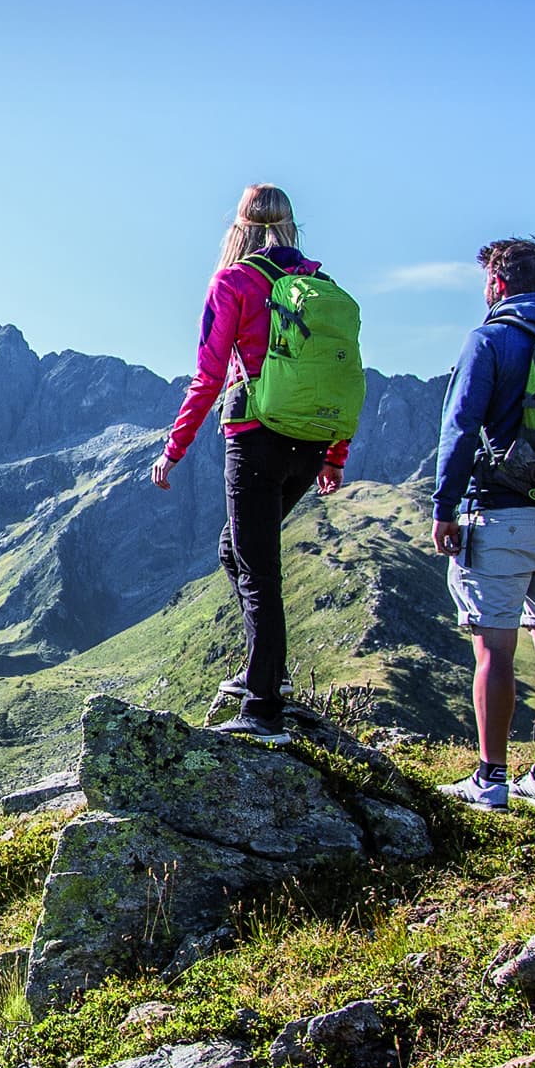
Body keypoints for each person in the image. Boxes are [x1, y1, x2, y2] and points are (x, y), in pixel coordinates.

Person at [151, 183, 353, 742]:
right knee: (234, 550)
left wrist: (174, 449)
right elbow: (339, 376)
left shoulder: (234, 281)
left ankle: (265, 708)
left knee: (258, 569)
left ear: (237, 227)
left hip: (257, 436)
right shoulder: (321, 286)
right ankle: (269, 674)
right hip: (309, 442)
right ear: (291, 226)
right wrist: (333, 455)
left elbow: (209, 376)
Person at [430, 235, 535, 808]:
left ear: (497, 283)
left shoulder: (491, 339)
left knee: (495, 649)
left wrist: (443, 508)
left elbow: (461, 427)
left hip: (500, 516)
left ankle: (490, 779)